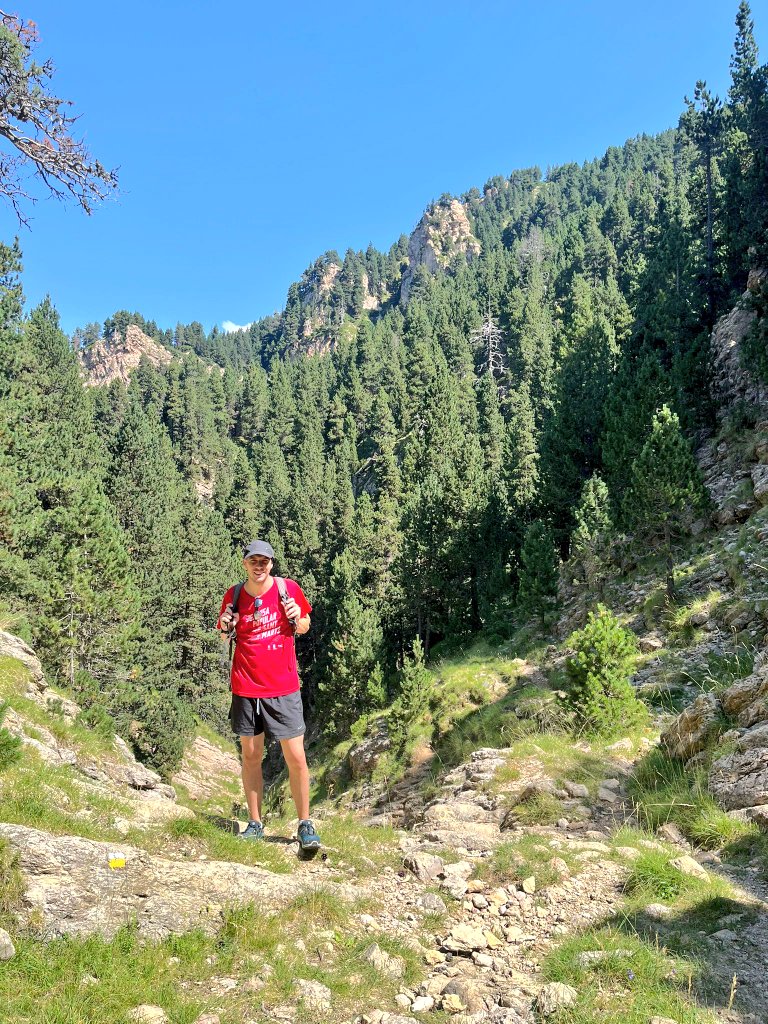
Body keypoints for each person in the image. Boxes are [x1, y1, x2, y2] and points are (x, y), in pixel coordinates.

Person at [217, 539, 320, 851]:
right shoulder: (235, 595)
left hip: (283, 687)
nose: (259, 566)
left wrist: (297, 617)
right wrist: (226, 625)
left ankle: (305, 823)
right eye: (253, 561)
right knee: (250, 756)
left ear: (271, 564)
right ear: (245, 564)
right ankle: (255, 823)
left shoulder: (288, 589)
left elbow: (304, 625)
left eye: (264, 561)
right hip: (246, 687)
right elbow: (223, 633)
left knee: (296, 757)